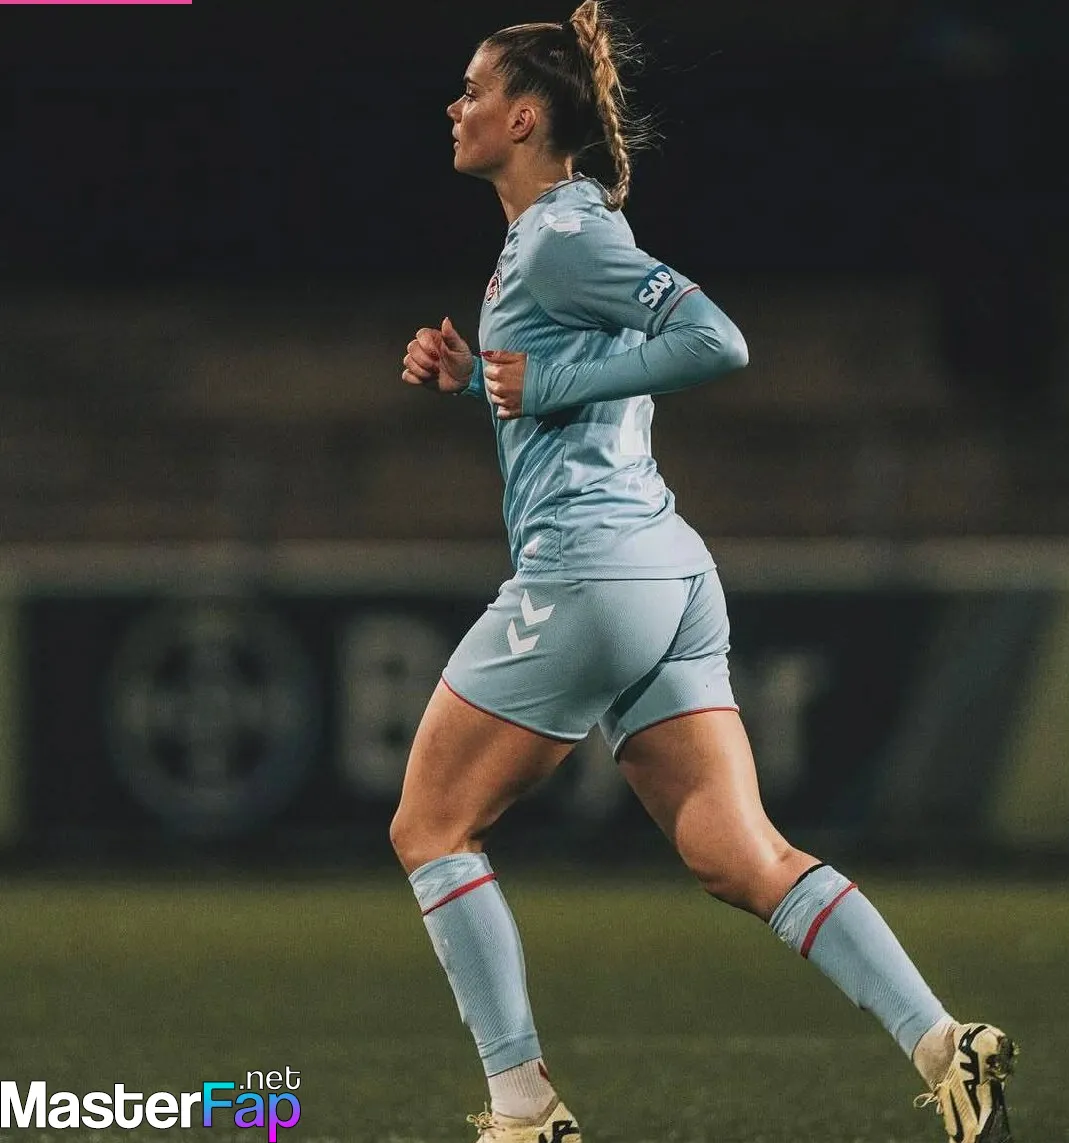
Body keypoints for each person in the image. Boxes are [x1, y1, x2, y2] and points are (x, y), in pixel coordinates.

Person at [391, 3, 1017, 1141]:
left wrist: (544, 384)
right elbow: (579, 383)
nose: (455, 106)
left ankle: (522, 1111)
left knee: (430, 826)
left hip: (589, 575)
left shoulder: (563, 236)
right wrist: (475, 378)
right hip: (664, 574)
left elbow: (716, 340)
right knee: (738, 854)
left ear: (523, 118)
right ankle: (944, 1043)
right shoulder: (557, 231)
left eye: (473, 90)